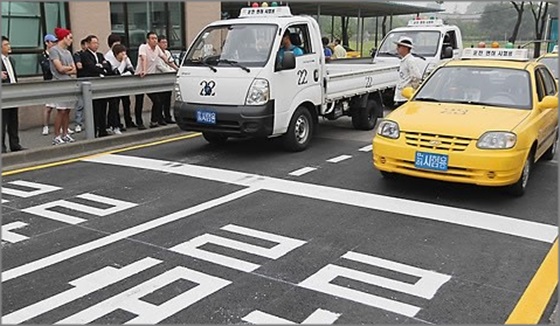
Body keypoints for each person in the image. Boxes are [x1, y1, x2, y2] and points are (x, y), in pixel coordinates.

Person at [135, 31, 175, 128]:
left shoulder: (157, 49)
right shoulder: (143, 47)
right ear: (148, 40)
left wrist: (177, 68)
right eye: (152, 38)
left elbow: (166, 59)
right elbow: (143, 58)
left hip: (150, 79)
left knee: (157, 101)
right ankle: (139, 123)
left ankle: (153, 121)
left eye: (156, 39)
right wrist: (144, 70)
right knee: (139, 101)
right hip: (140, 77)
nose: (154, 40)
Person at [79, 34, 112, 137]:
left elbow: (108, 66)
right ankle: (93, 131)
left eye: (97, 43)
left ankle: (103, 130)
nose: (96, 45)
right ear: (88, 44)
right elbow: (91, 68)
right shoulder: (85, 55)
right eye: (94, 43)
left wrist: (101, 66)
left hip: (101, 85)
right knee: (94, 109)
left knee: (103, 108)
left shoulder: (100, 55)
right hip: (91, 85)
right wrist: (101, 67)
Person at [49, 27, 77, 145]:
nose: (71, 40)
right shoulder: (54, 50)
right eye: (69, 38)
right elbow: (59, 68)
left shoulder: (68, 52)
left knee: (67, 111)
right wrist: (68, 68)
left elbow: (75, 69)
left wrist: (68, 69)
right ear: (64, 38)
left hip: (68, 82)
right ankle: (57, 135)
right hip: (59, 83)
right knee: (60, 110)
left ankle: (66, 133)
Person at [105, 33, 136, 132]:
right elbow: (116, 72)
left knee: (126, 102)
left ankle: (128, 121)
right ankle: (115, 124)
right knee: (114, 105)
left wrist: (125, 64)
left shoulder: (124, 55)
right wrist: (123, 63)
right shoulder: (109, 56)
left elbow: (131, 68)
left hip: (124, 83)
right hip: (113, 85)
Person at [2, 36, 25, 153]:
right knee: (3, 121)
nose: (9, 47)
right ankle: (2, 146)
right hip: (3, 95)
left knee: (13, 120)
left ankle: (14, 144)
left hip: (13, 94)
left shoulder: (11, 60)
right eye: (6, 45)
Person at [393, 36, 422, 107]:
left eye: (399, 46)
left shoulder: (410, 61)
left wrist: (411, 88)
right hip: (401, 96)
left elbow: (417, 76)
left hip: (405, 97)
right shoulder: (404, 60)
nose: (397, 48)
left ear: (405, 48)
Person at [156, 35, 179, 124]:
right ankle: (160, 118)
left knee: (167, 99)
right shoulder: (156, 53)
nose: (165, 44)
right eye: (163, 42)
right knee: (160, 100)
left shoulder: (167, 53)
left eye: (166, 42)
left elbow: (171, 62)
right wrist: (170, 71)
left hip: (168, 79)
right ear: (158, 43)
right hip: (160, 78)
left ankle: (168, 116)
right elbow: (160, 66)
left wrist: (176, 69)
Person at [39, 34, 57, 136]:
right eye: (52, 42)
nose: (53, 44)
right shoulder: (43, 56)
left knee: (62, 107)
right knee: (48, 106)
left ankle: (64, 127)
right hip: (49, 82)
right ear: (47, 43)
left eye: (55, 42)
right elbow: (47, 68)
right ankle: (45, 126)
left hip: (57, 81)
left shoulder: (57, 53)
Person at [73, 38, 87, 133]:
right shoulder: (78, 55)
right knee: (80, 104)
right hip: (81, 81)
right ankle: (78, 123)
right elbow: (79, 66)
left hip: (91, 80)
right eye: (85, 44)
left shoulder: (95, 55)